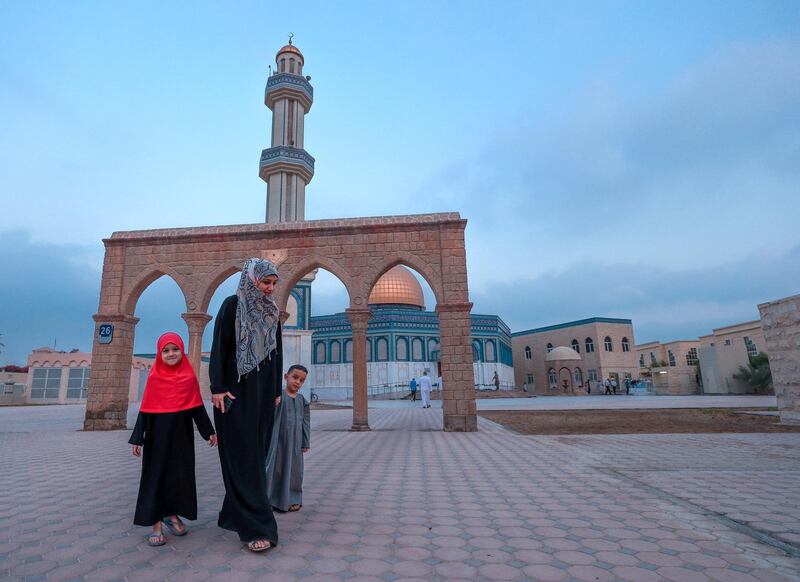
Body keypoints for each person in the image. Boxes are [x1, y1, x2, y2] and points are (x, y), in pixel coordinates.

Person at [210, 258, 283, 553]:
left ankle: (234, 513)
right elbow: (220, 347)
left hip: (263, 395)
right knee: (244, 460)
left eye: (273, 284)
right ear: (252, 280)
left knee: (254, 456)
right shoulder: (232, 306)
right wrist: (217, 387)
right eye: (266, 282)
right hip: (235, 395)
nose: (270, 288)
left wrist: (275, 390)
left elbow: (276, 352)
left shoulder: (272, 312)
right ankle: (258, 525)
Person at [129, 332, 217, 547]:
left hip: (182, 438)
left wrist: (209, 432)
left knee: (179, 476)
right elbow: (146, 410)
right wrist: (138, 438)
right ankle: (156, 524)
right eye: (166, 350)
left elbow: (197, 407)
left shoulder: (189, 377)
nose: (171, 354)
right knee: (156, 477)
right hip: (156, 439)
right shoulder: (154, 377)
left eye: (175, 349)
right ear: (160, 354)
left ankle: (172, 515)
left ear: (182, 351)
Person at [266, 365, 310, 513]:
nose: (297, 382)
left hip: (296, 443)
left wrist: (305, 441)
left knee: (295, 472)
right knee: (275, 469)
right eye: (295, 377)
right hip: (278, 441)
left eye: (301, 380)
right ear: (286, 376)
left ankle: (293, 499)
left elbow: (306, 423)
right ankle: (270, 499)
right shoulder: (278, 397)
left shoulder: (302, 401)